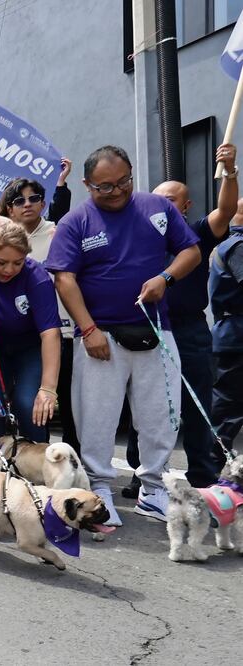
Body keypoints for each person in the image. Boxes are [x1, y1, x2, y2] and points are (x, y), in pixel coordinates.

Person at [45, 145, 201, 526]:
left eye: (123, 182)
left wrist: (166, 278)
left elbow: (191, 251)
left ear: (132, 174)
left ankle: (153, 488)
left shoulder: (157, 209)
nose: (115, 192)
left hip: (155, 331)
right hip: (101, 337)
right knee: (96, 417)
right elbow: (64, 279)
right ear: (87, 185)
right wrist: (88, 329)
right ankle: (99, 488)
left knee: (161, 415)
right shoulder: (75, 222)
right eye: (104, 187)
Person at [122, 144, 237, 490]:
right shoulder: (137, 234)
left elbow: (227, 210)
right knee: (145, 404)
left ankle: (202, 476)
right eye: (158, 199)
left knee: (196, 404)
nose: (163, 204)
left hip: (189, 331)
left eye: (171, 200)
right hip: (146, 328)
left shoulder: (197, 234)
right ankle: (142, 476)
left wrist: (230, 171)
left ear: (185, 207)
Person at [0, 177, 78, 449]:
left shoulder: (60, 232)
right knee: (14, 401)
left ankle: (60, 463)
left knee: (68, 405)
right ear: (9, 209)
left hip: (61, 332)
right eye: (19, 200)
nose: (27, 204)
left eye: (34, 198)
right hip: (18, 334)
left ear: (44, 203)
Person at [0, 220, 62, 441]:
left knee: (29, 403)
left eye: (18, 263)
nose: (9, 270)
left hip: (30, 348)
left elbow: (50, 333)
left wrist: (48, 389)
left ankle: (37, 464)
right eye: (2, 262)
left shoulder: (37, 277)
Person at [210, 201, 243, 454]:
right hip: (236, 335)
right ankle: (216, 463)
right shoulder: (238, 247)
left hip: (232, 332)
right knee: (229, 407)